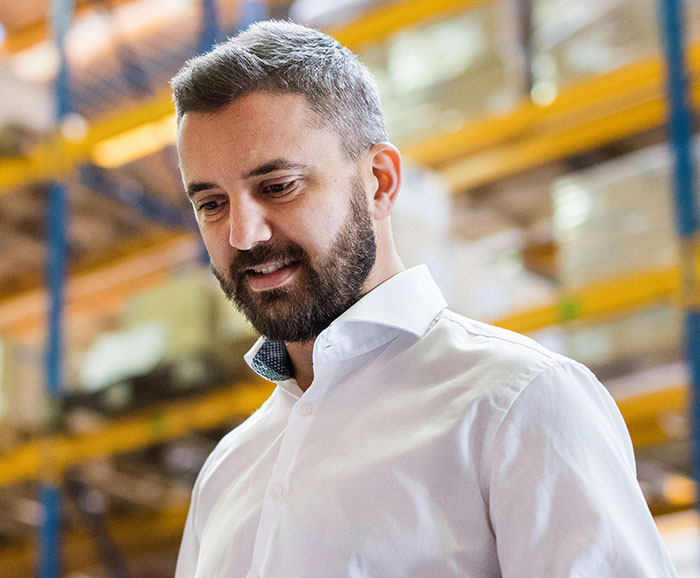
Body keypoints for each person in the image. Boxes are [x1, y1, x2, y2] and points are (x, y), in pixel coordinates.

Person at [170, 19, 678, 578]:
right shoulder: (226, 473)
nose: (244, 234)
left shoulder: (519, 404)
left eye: (277, 187)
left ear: (380, 182)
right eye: (211, 204)